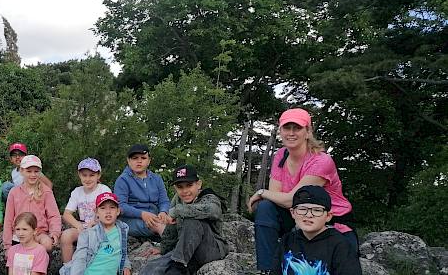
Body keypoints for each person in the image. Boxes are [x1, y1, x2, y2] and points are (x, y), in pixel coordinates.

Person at [248, 108, 356, 272]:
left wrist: (261, 192)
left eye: (297, 128)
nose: (291, 133)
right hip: (297, 213)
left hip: (329, 218)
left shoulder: (321, 161)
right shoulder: (281, 155)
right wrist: (268, 195)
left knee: (342, 260)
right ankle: (267, 269)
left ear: (308, 132)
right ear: (280, 131)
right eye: (286, 128)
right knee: (266, 208)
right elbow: (276, 197)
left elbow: (293, 199)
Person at [154, 164, 228, 275]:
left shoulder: (209, 197)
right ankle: (180, 264)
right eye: (180, 187)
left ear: (198, 184)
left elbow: (214, 211)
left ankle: (179, 265)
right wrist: (163, 249)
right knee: (153, 266)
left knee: (191, 219)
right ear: (175, 188)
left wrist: (175, 212)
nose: (185, 191)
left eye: (189, 185)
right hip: (187, 249)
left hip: (211, 249)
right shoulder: (178, 200)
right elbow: (172, 227)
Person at [270, 186, 361, 275]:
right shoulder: (286, 241)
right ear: (293, 213)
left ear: (328, 216)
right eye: (302, 209)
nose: (309, 215)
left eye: (317, 210)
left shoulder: (340, 245)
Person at [60, 192, 131, 275]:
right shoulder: (88, 234)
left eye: (112, 207)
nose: (108, 212)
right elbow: (80, 259)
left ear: (118, 211)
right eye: (103, 208)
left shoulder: (123, 229)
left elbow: (122, 252)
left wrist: (126, 265)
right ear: (96, 212)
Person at [3, 155, 61, 252]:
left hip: (39, 233)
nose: (33, 175)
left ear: (40, 172)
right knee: (18, 255)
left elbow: (54, 215)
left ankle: (39, 264)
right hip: (19, 234)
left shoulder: (46, 192)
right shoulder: (14, 192)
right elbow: (8, 219)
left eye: (36, 171)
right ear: (21, 171)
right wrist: (7, 245)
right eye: (29, 171)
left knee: (47, 244)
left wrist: (55, 232)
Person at [60, 157, 112, 263]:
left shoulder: (104, 190)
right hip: (83, 227)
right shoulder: (77, 192)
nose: (87, 179)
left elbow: (108, 211)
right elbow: (67, 214)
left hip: (101, 227)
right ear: (79, 175)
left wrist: (95, 222)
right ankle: (67, 267)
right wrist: (78, 225)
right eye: (84, 175)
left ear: (98, 175)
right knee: (66, 236)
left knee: (98, 240)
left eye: (92, 175)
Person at [114, 144, 171, 239]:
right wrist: (142, 214)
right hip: (132, 219)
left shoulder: (157, 179)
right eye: (135, 158)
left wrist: (163, 212)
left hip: (155, 215)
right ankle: (170, 249)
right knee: (158, 225)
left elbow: (164, 200)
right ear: (128, 160)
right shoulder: (123, 180)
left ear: (149, 161)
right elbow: (120, 206)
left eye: (143, 158)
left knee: (174, 220)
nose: (139, 161)